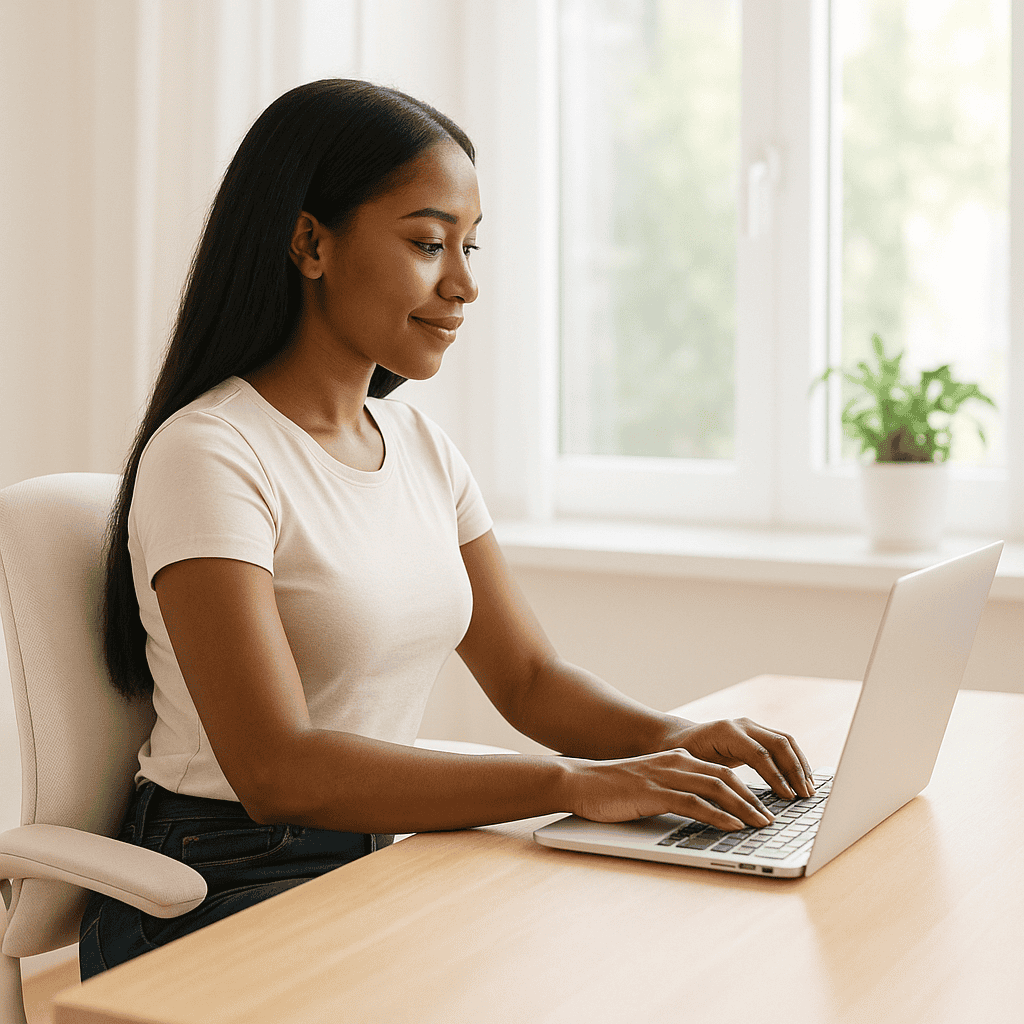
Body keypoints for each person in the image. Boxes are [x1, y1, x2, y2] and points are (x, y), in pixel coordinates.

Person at [81, 79, 814, 980]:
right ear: (310, 242)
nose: (465, 284)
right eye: (429, 243)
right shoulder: (211, 454)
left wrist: (673, 738)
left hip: (381, 851)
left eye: (470, 247)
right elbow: (275, 768)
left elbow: (530, 678)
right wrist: (572, 784)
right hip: (223, 879)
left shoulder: (419, 445)